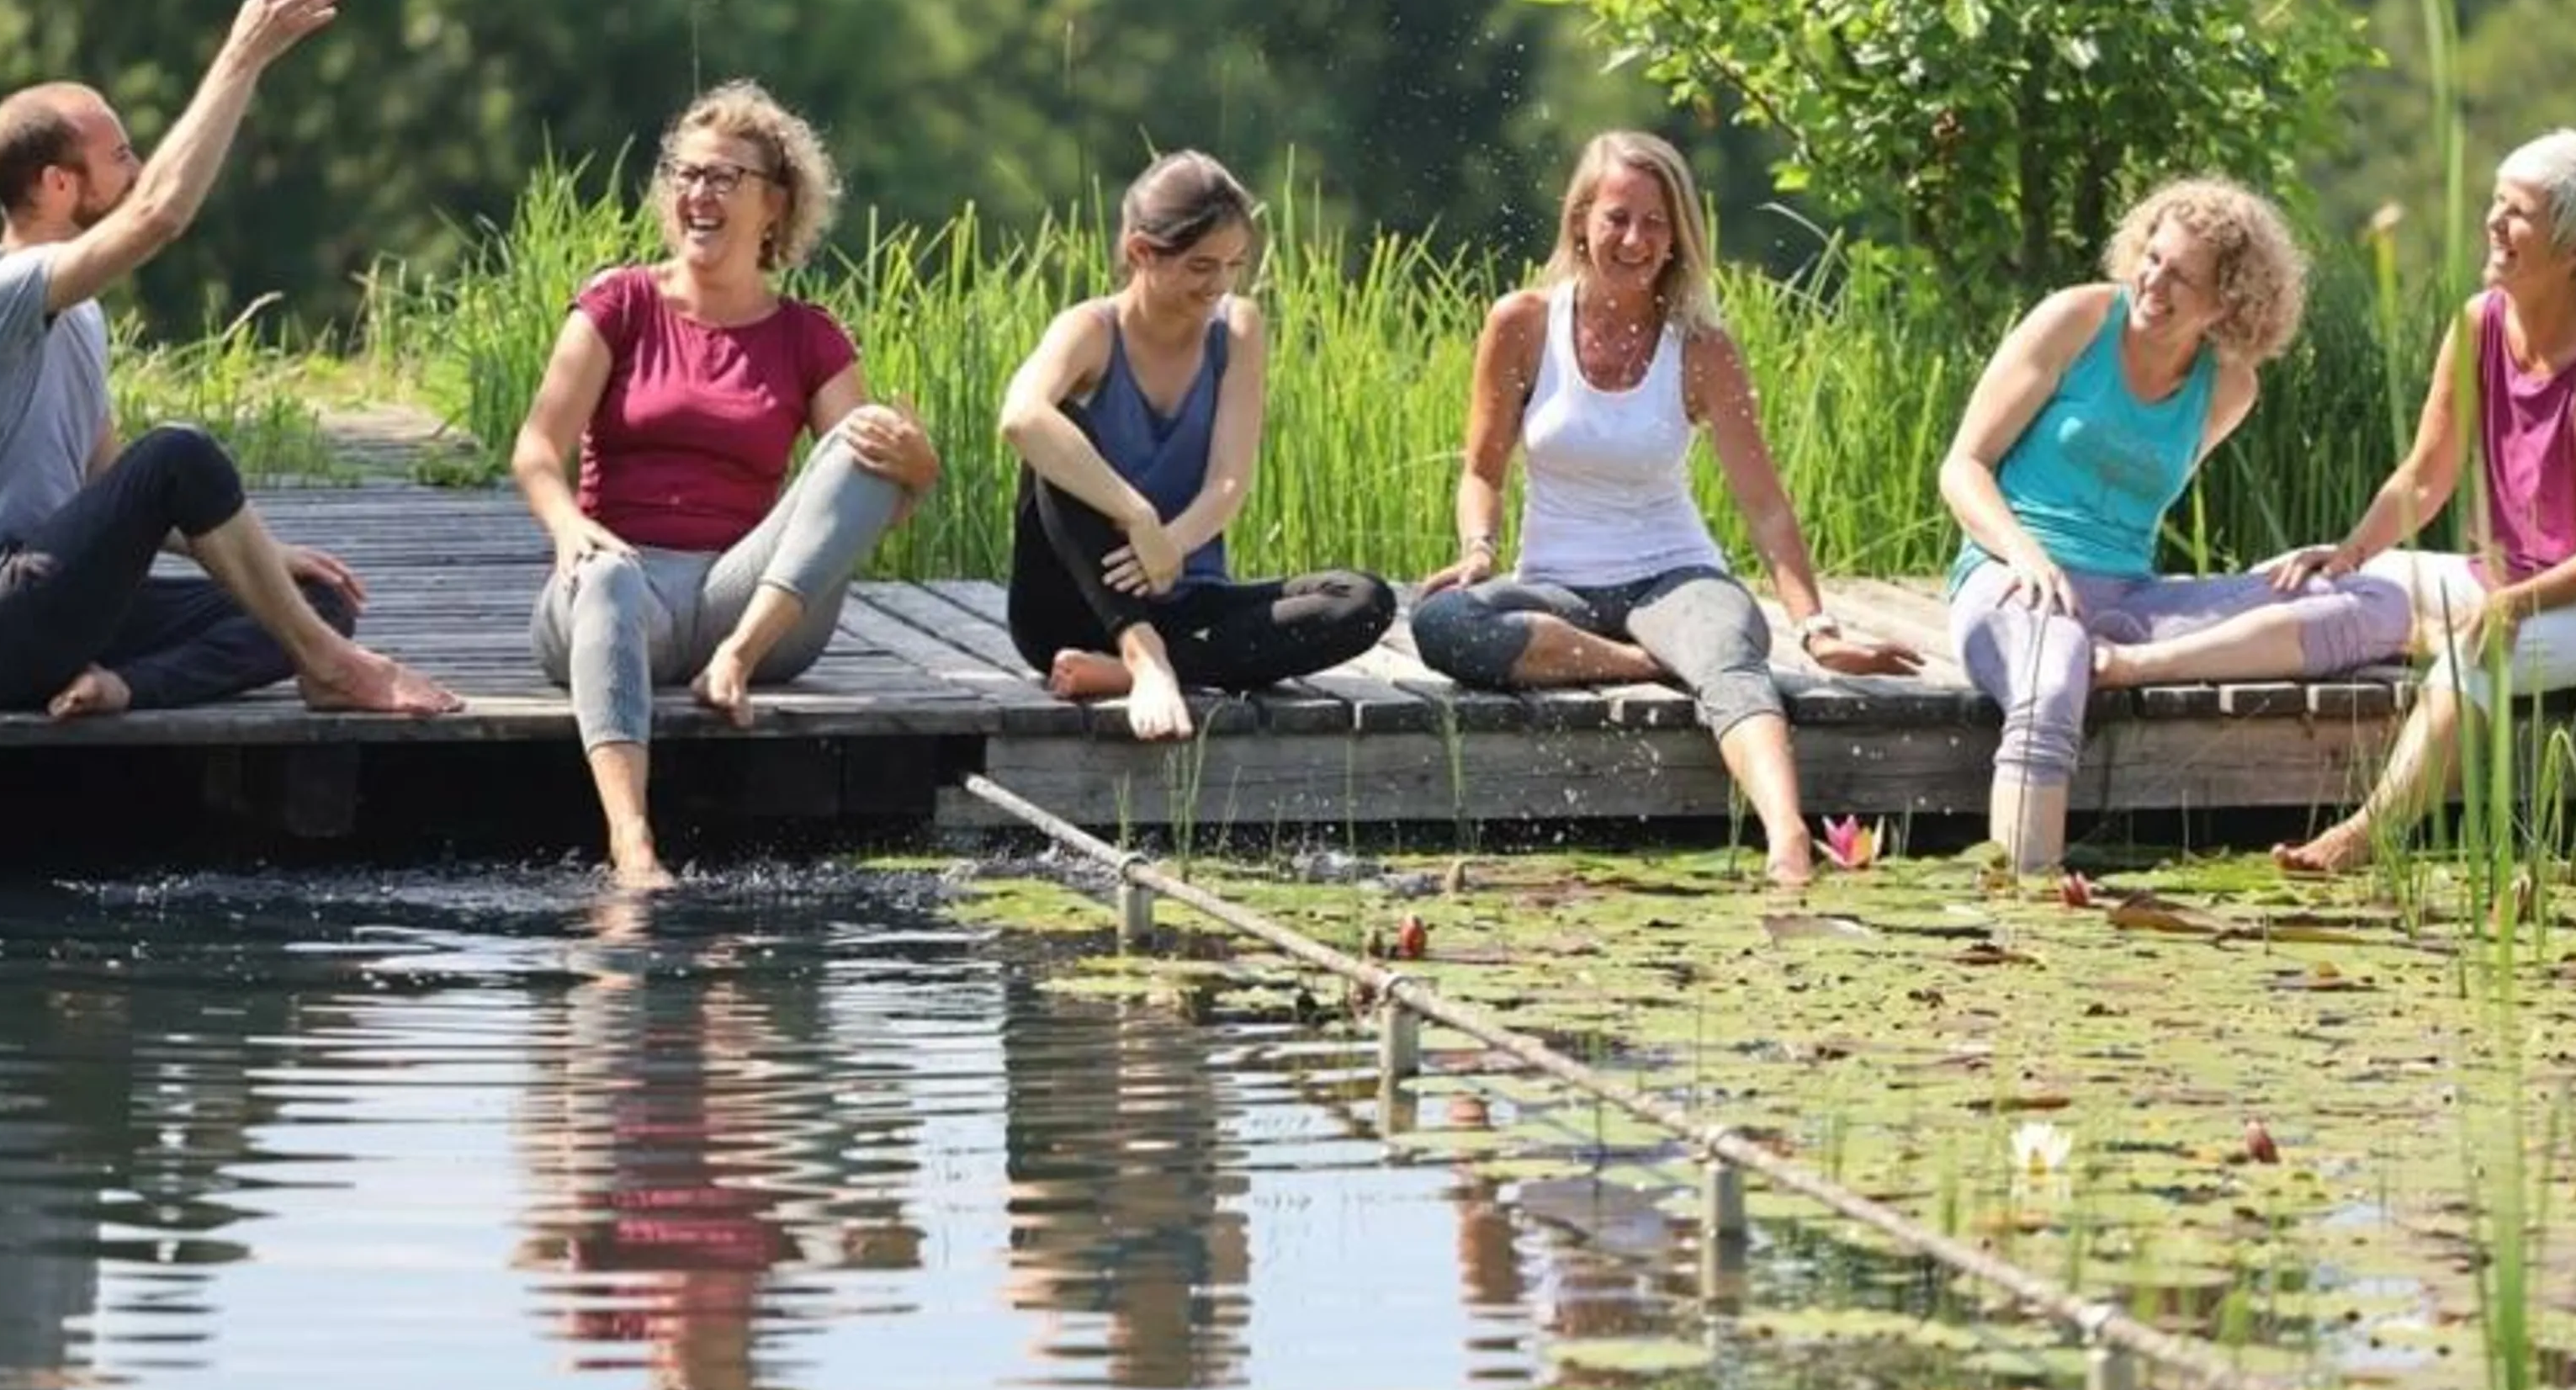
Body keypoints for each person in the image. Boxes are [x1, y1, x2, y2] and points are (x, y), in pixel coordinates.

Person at [0, 0, 459, 724]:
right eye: (122, 157)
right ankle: (334, 672)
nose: (138, 173)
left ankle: (127, 688)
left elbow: (111, 484)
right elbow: (161, 218)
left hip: (54, 606)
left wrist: (261, 562)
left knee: (315, 604)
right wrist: (241, 57)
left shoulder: (79, 313)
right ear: (58, 185)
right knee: (177, 452)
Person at [1409, 130, 1924, 888]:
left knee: (1727, 654)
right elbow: (1481, 469)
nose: (1635, 239)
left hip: (1675, 579)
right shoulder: (1521, 322)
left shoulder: (1703, 347)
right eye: (1618, 217)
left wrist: (1817, 630)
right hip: (1557, 589)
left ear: (1679, 235)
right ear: (1581, 218)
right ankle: (1648, 664)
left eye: (1656, 223)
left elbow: (1766, 507)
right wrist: (1479, 551)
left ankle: (1787, 841)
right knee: (1442, 622)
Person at [2242, 130, 2576, 873]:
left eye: (2519, 212)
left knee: (2470, 658)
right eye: (2496, 201)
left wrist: (2509, 608)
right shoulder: (2478, 320)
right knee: (2312, 581)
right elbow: (2426, 476)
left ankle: (2361, 838)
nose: (2494, 222)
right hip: (2507, 575)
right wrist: (2351, 551)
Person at [511, 80, 939, 884]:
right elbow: (536, 448)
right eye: (685, 173)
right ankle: (632, 841)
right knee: (604, 577)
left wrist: (920, 465)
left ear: (774, 205)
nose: (697, 194)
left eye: (723, 178)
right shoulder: (620, 303)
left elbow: (870, 493)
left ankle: (732, 664)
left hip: (748, 602)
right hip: (620, 590)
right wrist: (570, 529)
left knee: (864, 435)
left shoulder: (809, 335)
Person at [1938, 178, 2406, 872]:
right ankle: (2022, 909)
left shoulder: (2229, 387)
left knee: (2381, 602)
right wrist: (2024, 556)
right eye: (2150, 259)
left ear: (2227, 301)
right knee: (2053, 670)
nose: (2153, 283)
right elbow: (1962, 467)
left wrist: (2274, 581)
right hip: (2012, 581)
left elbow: (2138, 500)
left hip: (2131, 606)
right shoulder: (2073, 320)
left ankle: (2137, 668)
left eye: (2181, 277)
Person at [996, 151, 1395, 740]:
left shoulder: (1237, 329)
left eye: (1234, 265)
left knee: (1363, 599)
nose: (1219, 284)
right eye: (1200, 266)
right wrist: (1138, 518)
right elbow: (1019, 418)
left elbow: (1229, 482)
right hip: (1076, 609)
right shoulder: (1090, 329)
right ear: (1140, 253)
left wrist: (1172, 546)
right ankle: (1142, 656)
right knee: (1058, 433)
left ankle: (1151, 668)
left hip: (1183, 595)